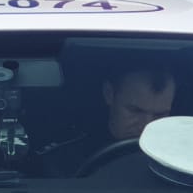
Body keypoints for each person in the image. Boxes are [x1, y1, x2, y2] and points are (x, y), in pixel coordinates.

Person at [36, 64, 177, 175]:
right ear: (109, 94)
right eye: (135, 111)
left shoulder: (185, 164)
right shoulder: (62, 161)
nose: (146, 126)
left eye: (159, 115)